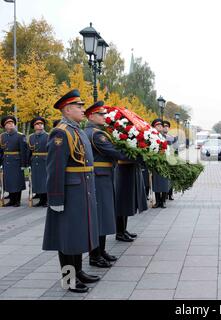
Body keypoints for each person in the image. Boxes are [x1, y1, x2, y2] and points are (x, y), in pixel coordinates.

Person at [42, 89, 100, 293]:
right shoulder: (61, 132)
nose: (83, 109)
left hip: (82, 190)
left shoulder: (77, 130)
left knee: (77, 234)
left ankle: (78, 270)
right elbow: (55, 168)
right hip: (69, 192)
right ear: (67, 109)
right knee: (66, 238)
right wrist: (56, 198)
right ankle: (69, 279)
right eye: (79, 106)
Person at [84, 101, 131, 267]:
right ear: (90, 116)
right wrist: (134, 155)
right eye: (100, 114)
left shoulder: (95, 132)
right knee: (100, 216)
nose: (104, 117)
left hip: (103, 176)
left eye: (104, 114)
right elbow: (113, 152)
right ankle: (95, 256)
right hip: (100, 177)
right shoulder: (96, 134)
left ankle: (100, 251)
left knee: (102, 216)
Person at [0, 116, 27, 207]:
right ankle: (11, 200)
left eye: (12, 123)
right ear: (4, 126)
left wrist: (23, 164)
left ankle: (17, 201)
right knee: (9, 181)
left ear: (15, 124)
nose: (10, 124)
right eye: (8, 123)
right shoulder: (2, 136)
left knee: (17, 181)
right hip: (6, 161)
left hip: (16, 161)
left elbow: (23, 151)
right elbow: (1, 150)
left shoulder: (20, 135)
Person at [27, 117, 49, 207]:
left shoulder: (48, 136)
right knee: (37, 181)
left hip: (45, 161)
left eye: (41, 124)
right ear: (34, 126)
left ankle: (47, 200)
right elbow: (29, 151)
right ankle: (41, 200)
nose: (40, 126)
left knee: (45, 181)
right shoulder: (31, 137)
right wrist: (27, 163)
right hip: (35, 161)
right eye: (37, 124)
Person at [151, 119, 170, 208]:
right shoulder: (150, 136)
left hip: (165, 162)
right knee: (156, 182)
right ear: (154, 127)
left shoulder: (166, 137)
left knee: (165, 182)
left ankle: (163, 201)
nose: (160, 127)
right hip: (156, 162)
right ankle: (157, 201)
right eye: (157, 125)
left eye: (161, 126)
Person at [163, 120, 176, 200]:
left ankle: (170, 194)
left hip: (171, 158)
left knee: (171, 177)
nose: (166, 127)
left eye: (167, 126)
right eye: (164, 126)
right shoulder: (159, 136)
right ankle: (165, 193)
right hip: (163, 157)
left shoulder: (171, 137)